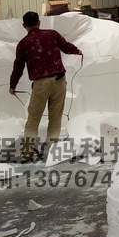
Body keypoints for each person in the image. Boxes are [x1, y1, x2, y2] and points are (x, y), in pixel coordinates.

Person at [9, 11, 82, 161]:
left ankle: (27, 154)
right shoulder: (52, 34)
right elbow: (66, 47)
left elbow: (18, 67)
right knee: (55, 119)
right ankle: (52, 152)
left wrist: (12, 85)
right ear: (39, 22)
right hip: (59, 81)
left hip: (41, 85)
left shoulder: (23, 44)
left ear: (24, 25)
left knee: (33, 120)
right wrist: (77, 51)